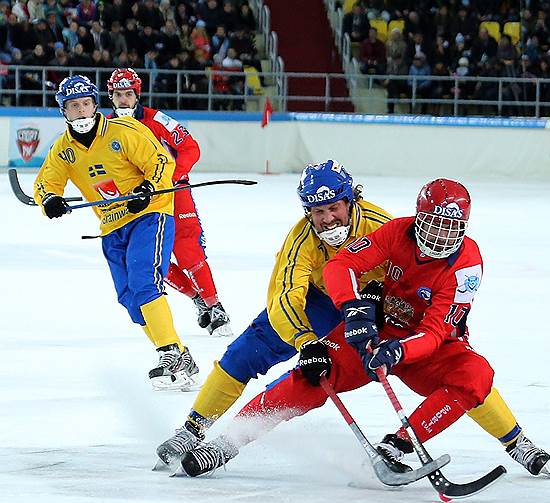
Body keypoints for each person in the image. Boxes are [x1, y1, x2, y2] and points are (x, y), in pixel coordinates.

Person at [178, 178, 550, 479]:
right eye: (434, 225)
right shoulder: (395, 231)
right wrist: (353, 312)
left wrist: (400, 351)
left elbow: (436, 332)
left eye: (451, 228)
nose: (441, 237)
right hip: (377, 329)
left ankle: (407, 443)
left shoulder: (466, 266)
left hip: (426, 347)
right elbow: (341, 267)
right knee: (313, 372)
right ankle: (227, 442)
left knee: (475, 376)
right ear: (418, 218)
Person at [154, 160, 393, 467]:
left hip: (375, 310)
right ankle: (192, 430)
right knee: (244, 354)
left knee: (302, 384)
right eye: (319, 212)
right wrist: (306, 341)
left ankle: (232, 441)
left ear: (350, 200)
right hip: (319, 301)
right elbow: (285, 295)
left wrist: (383, 298)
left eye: (334, 208)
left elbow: (409, 271)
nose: (328, 220)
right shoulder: (301, 238)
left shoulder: (381, 225)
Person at [33, 75, 199, 392]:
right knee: (129, 298)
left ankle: (168, 356)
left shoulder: (125, 132)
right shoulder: (63, 149)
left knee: (144, 281)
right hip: (111, 227)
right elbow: (46, 182)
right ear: (63, 111)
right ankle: (179, 353)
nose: (80, 112)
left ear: (96, 104)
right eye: (72, 106)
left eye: (84, 104)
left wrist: (148, 188)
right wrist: (50, 200)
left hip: (149, 215)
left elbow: (160, 162)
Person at [107, 68, 232, 337]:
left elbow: (190, 147)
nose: (124, 100)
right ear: (111, 97)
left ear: (137, 94)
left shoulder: (158, 119)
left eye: (129, 94)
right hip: (137, 201)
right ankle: (198, 299)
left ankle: (215, 304)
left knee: (188, 250)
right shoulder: (105, 129)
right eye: (118, 95)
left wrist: (170, 177)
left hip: (174, 193)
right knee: (147, 259)